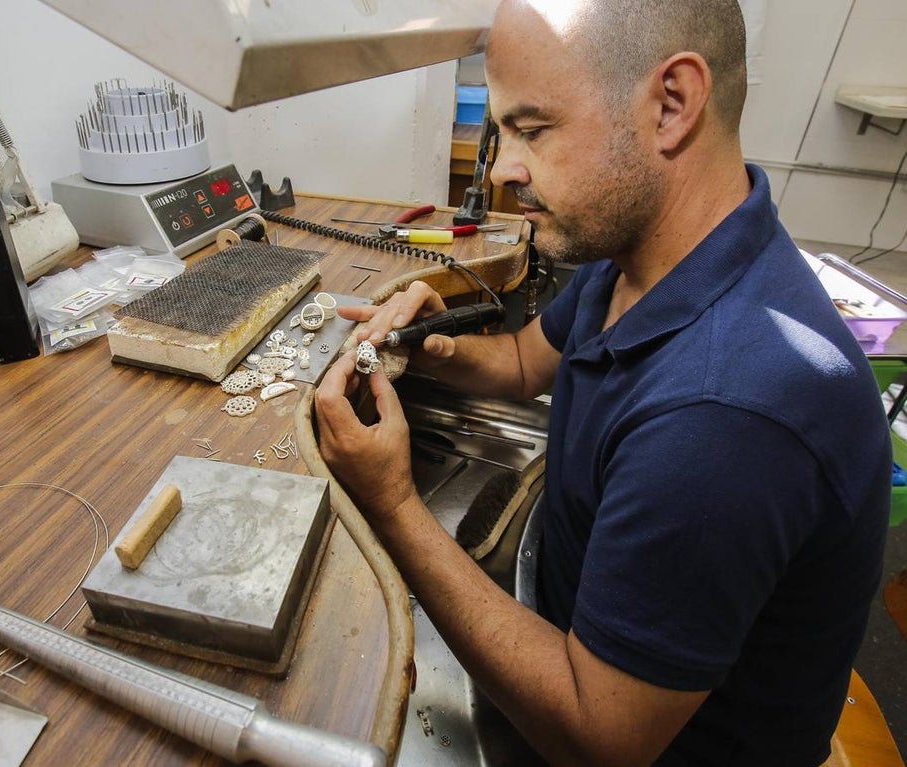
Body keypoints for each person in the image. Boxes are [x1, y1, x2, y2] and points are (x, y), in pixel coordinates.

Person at [314, 0, 892, 764]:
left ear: (672, 104)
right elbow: (526, 363)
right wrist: (436, 347)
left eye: (532, 128)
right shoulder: (646, 259)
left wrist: (390, 501)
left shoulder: (726, 417)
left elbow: (598, 737)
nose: (500, 169)